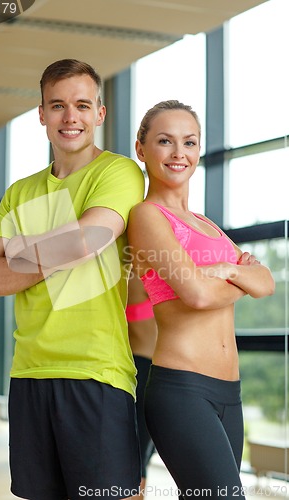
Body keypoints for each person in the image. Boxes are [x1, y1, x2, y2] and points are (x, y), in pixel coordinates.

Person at [0, 59, 145, 500]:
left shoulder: (119, 172)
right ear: (41, 113)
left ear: (100, 113)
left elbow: (87, 240)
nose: (70, 117)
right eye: (58, 106)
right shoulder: (19, 191)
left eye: (82, 105)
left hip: (96, 372)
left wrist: (18, 250)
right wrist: (66, 245)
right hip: (28, 373)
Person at [127, 100, 275, 499]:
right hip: (183, 390)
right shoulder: (147, 216)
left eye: (189, 142)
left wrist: (227, 273)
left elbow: (267, 282)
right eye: (165, 141)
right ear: (141, 150)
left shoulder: (207, 225)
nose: (179, 154)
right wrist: (240, 276)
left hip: (230, 394)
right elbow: (196, 294)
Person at [126, 271, 157, 498]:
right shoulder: (136, 276)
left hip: (155, 369)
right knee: (137, 456)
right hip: (141, 368)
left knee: (141, 453)